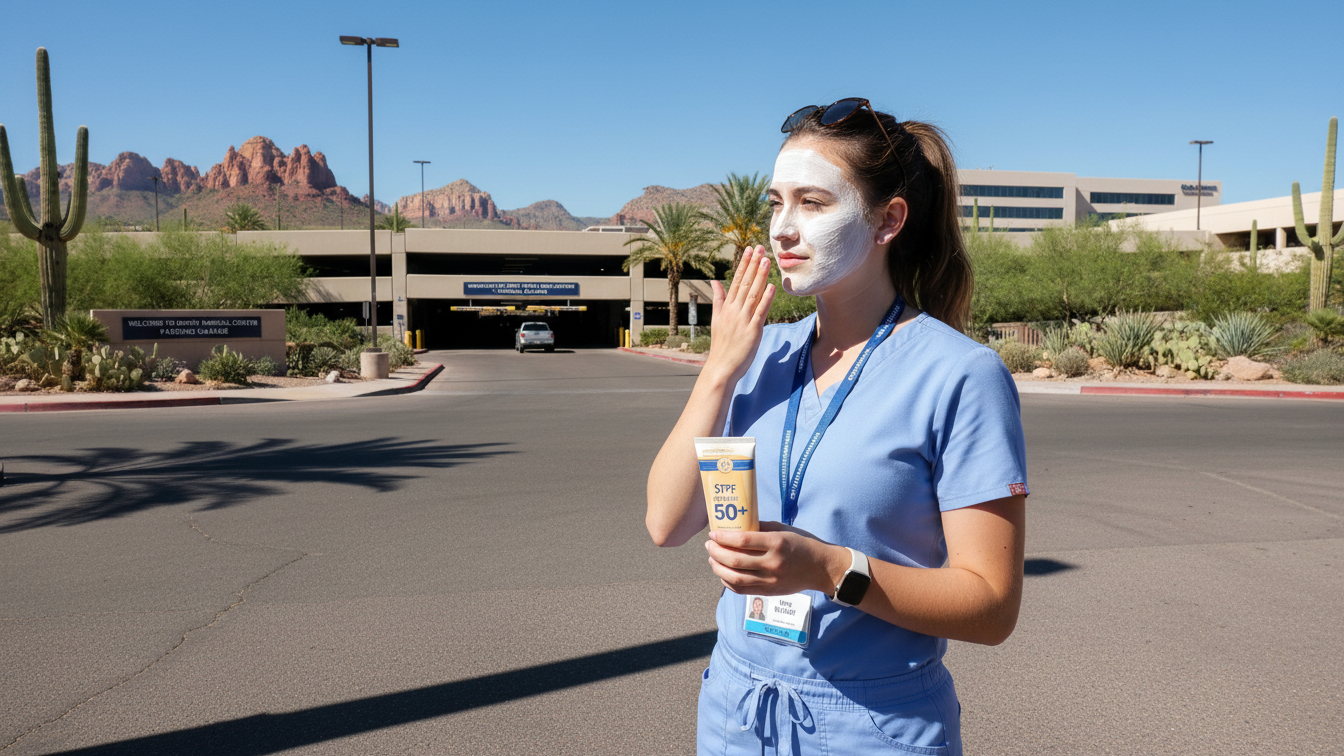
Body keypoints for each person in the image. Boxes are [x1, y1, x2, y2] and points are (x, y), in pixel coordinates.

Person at [644, 99, 1028, 756]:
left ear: (888, 220)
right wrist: (718, 370)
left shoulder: (961, 375)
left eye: (813, 203)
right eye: (775, 203)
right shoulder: (758, 356)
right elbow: (667, 523)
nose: (783, 229)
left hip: (872, 723)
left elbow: (991, 606)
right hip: (739, 711)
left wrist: (827, 568)